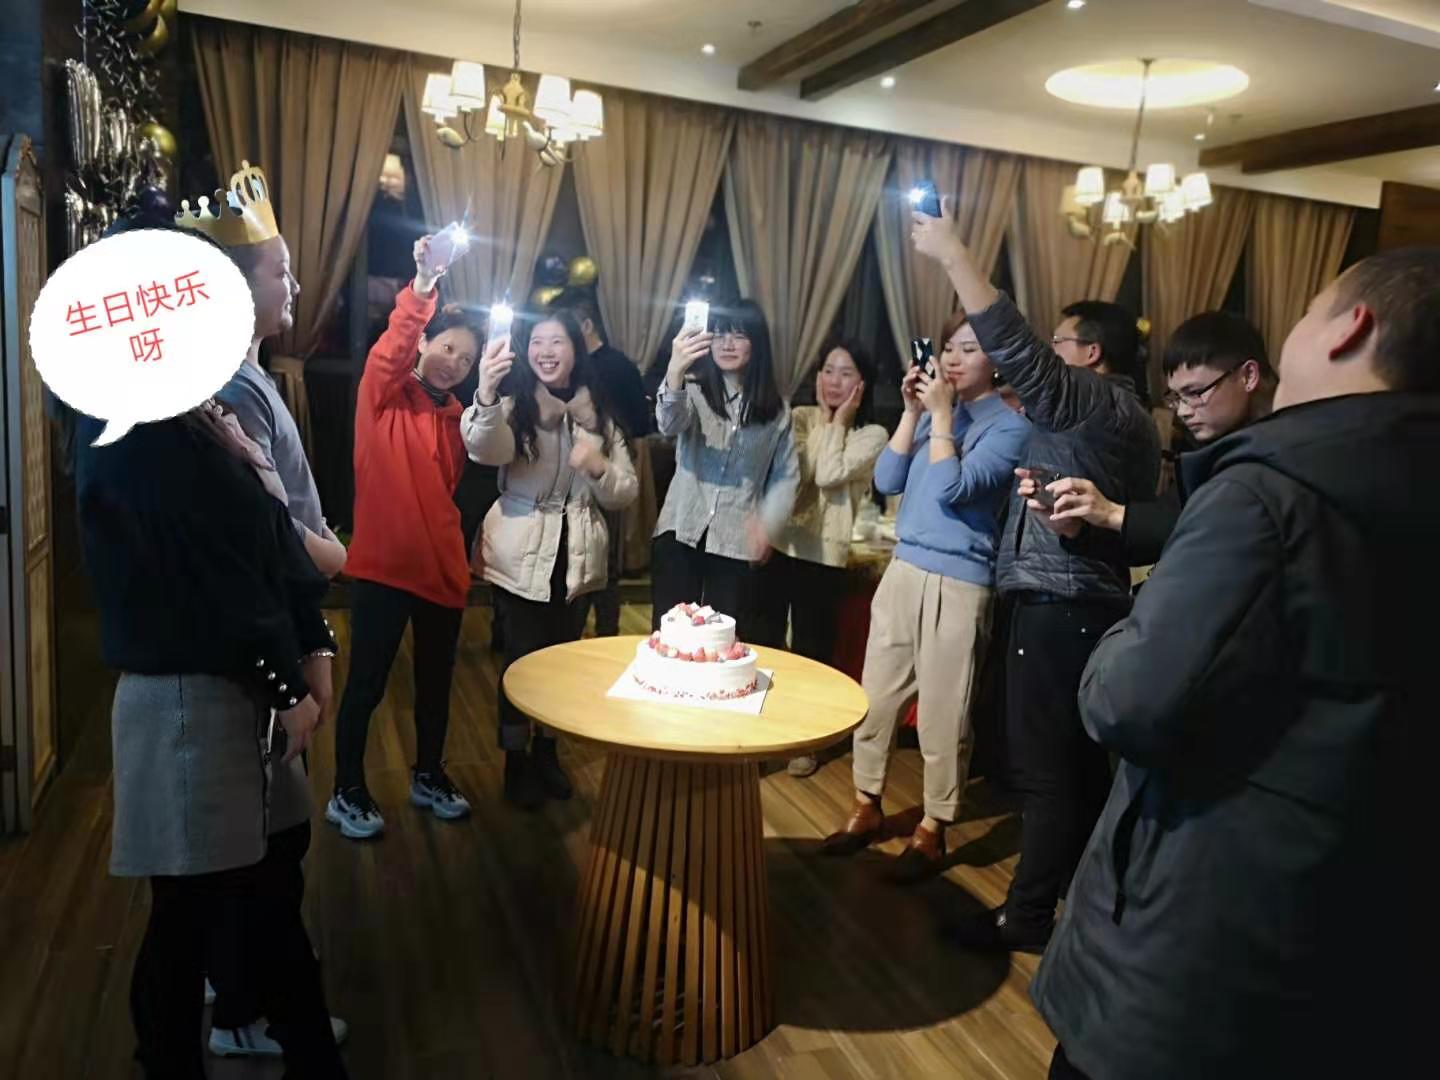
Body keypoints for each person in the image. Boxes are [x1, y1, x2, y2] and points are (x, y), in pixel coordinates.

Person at [1035, 248, 1439, 1080]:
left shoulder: (1267, 489)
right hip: (1366, 940)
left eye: (1309, 310)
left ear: (1349, 328)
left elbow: (1127, 701)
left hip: (1201, 940)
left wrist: (1130, 623)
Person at [68, 212, 345, 1079]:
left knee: (255, 895)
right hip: (189, 692)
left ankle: (282, 1039)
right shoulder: (131, 417)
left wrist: (309, 644)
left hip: (230, 683)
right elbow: (207, 578)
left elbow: (265, 533)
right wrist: (287, 683)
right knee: (189, 919)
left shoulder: (189, 404)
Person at [912, 200, 1160, 951]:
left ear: (1091, 353)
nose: (1050, 353)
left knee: (1047, 772)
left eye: (1061, 342)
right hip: (1078, 600)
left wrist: (954, 254)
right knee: (1076, 772)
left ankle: (1023, 918)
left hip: (1062, 604)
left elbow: (1017, 352)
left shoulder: (1098, 402)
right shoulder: (1121, 417)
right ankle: (1077, 909)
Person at [195, 189, 349, 1059]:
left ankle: (248, 989)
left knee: (269, 836)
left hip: (286, 619)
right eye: (280, 271)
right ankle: (245, 1011)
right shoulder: (229, 387)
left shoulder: (248, 375)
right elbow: (265, 526)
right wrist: (332, 556)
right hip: (263, 631)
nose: (293, 285)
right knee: (265, 839)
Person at [821, 314, 1029, 880]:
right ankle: (866, 803)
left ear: (997, 361)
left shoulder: (1009, 428)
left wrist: (939, 415)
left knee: (944, 714)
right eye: (949, 348)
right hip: (904, 569)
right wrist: (914, 412)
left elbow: (953, 487)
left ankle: (935, 825)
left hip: (960, 582)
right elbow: (887, 479)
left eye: (970, 349)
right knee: (876, 700)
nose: (954, 358)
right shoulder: (942, 414)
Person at [328, 234, 512, 839]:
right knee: (366, 684)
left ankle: (428, 774)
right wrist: (425, 283)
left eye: (466, 358)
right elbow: (393, 344)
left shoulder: (461, 420)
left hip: (441, 571)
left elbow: (478, 466)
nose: (453, 362)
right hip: (384, 568)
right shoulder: (382, 394)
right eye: (447, 347)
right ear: (425, 342)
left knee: (437, 686)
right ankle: (346, 788)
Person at [463, 311, 638, 810]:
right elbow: (484, 449)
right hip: (520, 552)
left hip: (577, 555)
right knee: (521, 661)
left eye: (556, 341)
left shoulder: (597, 415)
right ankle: (515, 760)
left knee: (561, 661)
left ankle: (547, 752)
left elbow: (625, 490)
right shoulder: (514, 405)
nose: (545, 351)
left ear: (576, 349)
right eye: (537, 341)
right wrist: (486, 392)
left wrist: (599, 466)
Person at [1022, 311, 1274, 566]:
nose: (1183, 411)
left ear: (1248, 376)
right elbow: (1156, 537)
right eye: (1176, 397)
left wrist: (1111, 512)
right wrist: (1075, 528)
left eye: (1195, 392)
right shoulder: (1213, 455)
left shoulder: (1276, 455)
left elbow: (1208, 529)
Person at [765, 339, 888, 778]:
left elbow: (828, 473)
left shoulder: (873, 435)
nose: (834, 381)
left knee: (813, 649)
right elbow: (797, 473)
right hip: (781, 544)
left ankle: (807, 740)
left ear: (862, 384)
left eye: (846, 373)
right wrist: (825, 423)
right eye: (828, 370)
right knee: (768, 641)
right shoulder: (799, 417)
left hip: (824, 554)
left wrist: (838, 422)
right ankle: (767, 724)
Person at [651, 300, 799, 639]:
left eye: (738, 335)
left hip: (736, 542)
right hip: (680, 532)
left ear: (757, 343)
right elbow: (668, 424)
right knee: (670, 640)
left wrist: (768, 525)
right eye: (718, 334)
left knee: (721, 644)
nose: (727, 344)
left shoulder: (778, 411)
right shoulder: (692, 390)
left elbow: (785, 477)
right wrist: (674, 371)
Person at [551, 289, 648, 638]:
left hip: (607, 464)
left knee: (602, 563)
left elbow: (639, 422)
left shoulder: (615, 366)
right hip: (564, 484)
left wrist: (602, 443)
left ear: (587, 325)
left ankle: (606, 636)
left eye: (565, 332)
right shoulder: (556, 376)